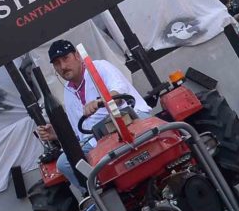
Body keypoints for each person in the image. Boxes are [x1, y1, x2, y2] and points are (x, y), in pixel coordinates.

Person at [34, 39, 153, 198]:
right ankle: (100, 197)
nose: (62, 66)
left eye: (65, 58)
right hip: (99, 138)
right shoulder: (68, 92)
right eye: (57, 63)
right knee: (64, 163)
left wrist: (99, 102)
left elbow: (118, 94)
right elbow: (79, 133)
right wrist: (56, 134)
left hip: (129, 119)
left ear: (77, 55)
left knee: (131, 135)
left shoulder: (99, 67)